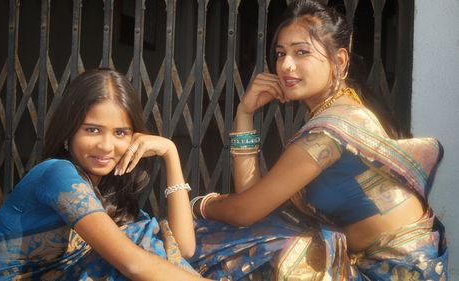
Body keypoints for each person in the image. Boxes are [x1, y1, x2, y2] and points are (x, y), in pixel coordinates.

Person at [188, 0, 448, 280]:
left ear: (340, 60)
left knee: (222, 245)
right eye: (280, 53)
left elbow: (246, 212)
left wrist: (202, 205)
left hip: (392, 273)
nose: (286, 65)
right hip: (381, 261)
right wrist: (244, 114)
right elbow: (254, 200)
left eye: (301, 52)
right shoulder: (342, 110)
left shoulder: (330, 130)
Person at [0, 69, 210, 280]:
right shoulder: (57, 173)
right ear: (69, 131)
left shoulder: (109, 192)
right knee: (137, 248)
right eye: (92, 130)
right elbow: (133, 264)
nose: (106, 146)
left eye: (120, 133)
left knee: (145, 239)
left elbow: (182, 249)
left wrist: (170, 152)